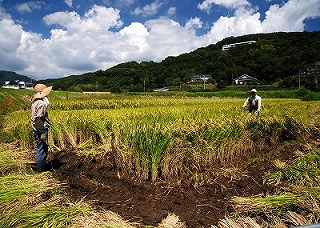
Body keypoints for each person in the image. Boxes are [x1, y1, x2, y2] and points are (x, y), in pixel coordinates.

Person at [31, 84, 52, 172]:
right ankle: (41, 170)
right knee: (42, 149)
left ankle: (40, 166)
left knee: (40, 148)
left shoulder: (35, 102)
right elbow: (38, 119)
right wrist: (42, 132)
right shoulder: (41, 104)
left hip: (35, 129)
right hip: (40, 129)